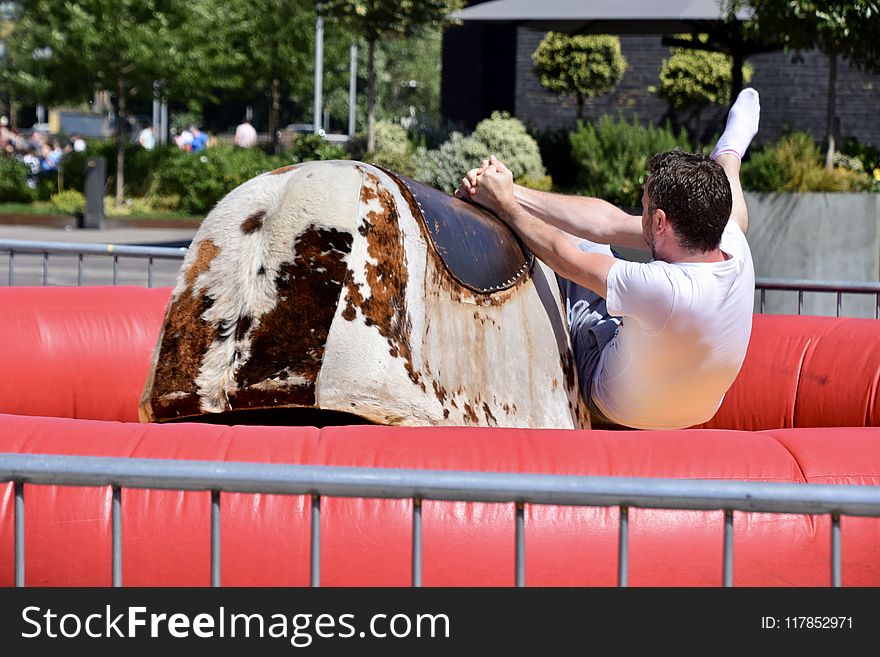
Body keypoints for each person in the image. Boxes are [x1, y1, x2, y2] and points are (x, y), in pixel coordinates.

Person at [456, 88, 761, 430]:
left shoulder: (666, 289)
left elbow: (565, 255)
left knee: (580, 250)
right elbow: (611, 222)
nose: (639, 211)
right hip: (698, 410)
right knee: (607, 239)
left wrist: (505, 207)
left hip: (614, 406)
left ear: (660, 221)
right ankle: (730, 151)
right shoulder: (731, 236)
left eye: (644, 206)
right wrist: (511, 193)